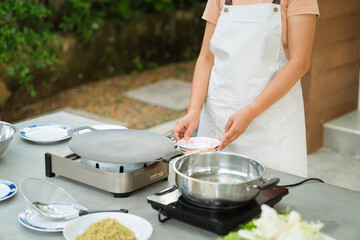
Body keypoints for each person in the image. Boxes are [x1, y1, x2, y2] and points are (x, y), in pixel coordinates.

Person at [173, 0, 319, 177]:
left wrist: (251, 111)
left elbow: (300, 63)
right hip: (219, 119)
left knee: (273, 196)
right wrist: (193, 111)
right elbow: (206, 58)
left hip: (271, 125)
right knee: (214, 191)